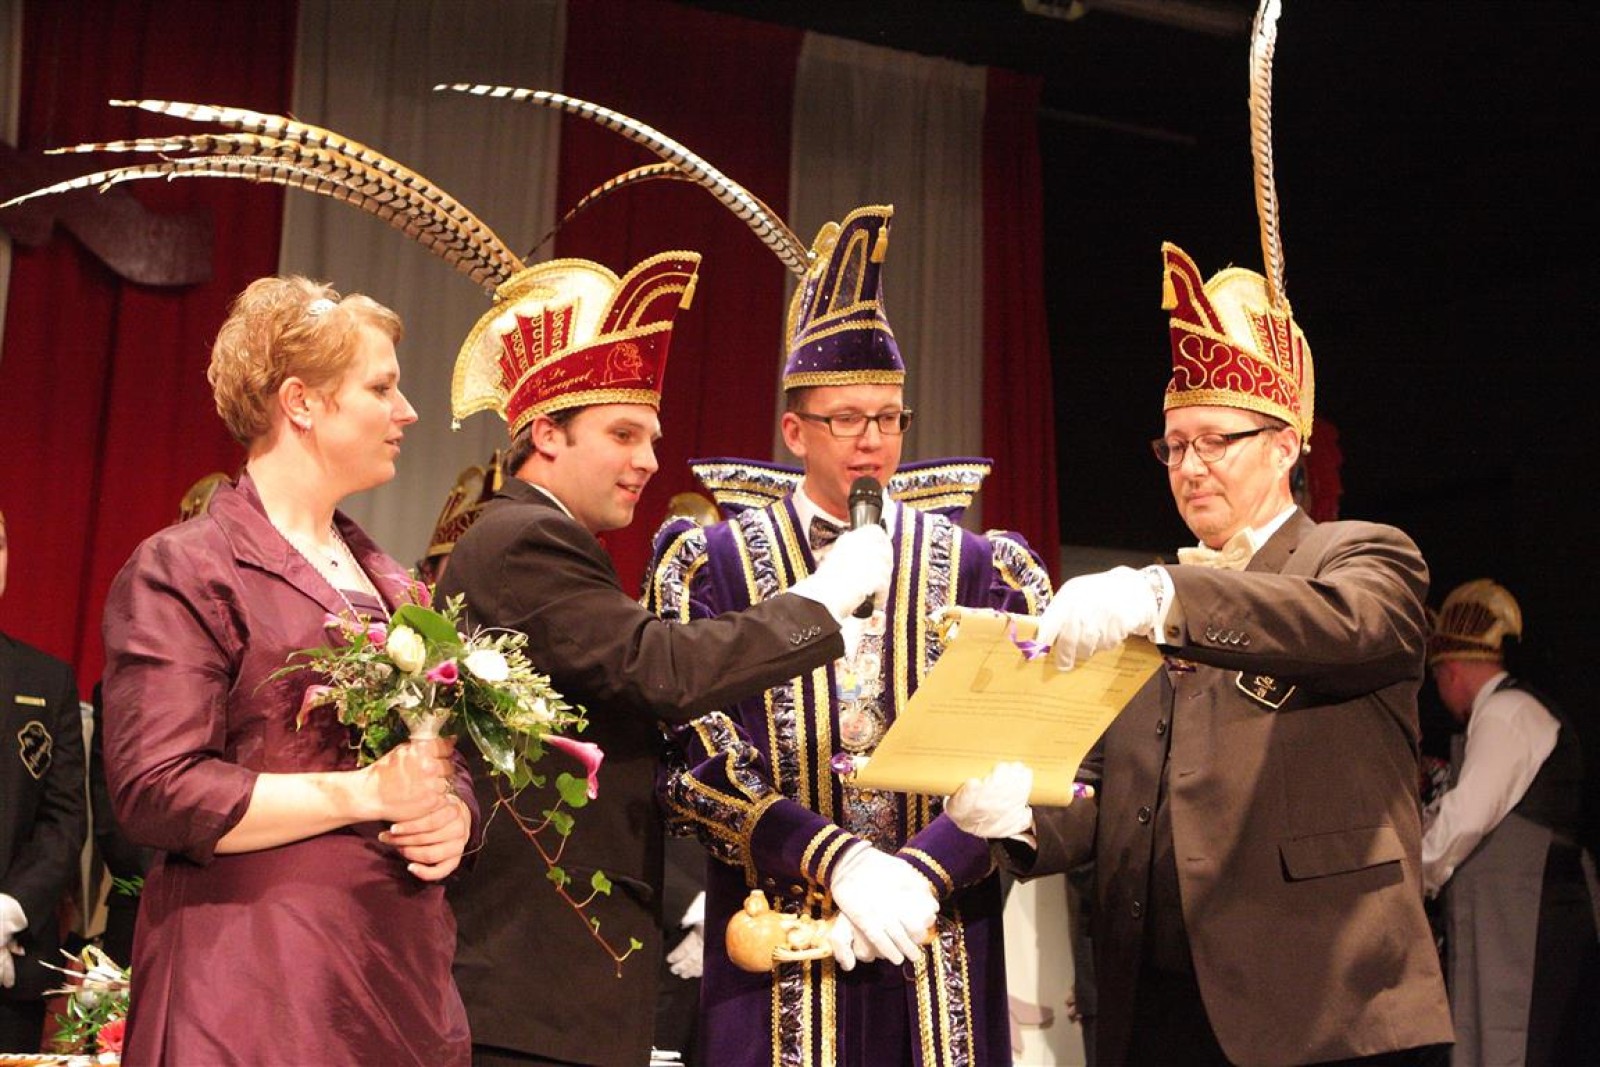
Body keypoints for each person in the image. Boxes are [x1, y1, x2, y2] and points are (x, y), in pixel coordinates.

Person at [436, 250, 892, 1067]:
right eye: (623, 434)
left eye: (651, 437)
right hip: (529, 981)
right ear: (546, 432)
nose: (648, 459)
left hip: (549, 984)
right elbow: (663, 667)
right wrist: (823, 599)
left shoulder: (537, 540)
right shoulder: (524, 538)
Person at [647, 203, 1053, 1067]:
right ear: (794, 430)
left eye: (889, 417)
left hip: (936, 938)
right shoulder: (713, 566)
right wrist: (836, 859)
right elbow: (692, 763)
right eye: (847, 418)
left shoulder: (980, 567)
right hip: (777, 947)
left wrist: (926, 866)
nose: (873, 441)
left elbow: (1017, 751)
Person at [99, 276, 477, 1065]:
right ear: (300, 401)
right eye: (381, 387)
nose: (407, 411)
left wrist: (453, 813)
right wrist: (362, 793)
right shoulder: (190, 567)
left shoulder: (397, 587)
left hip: (398, 986)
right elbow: (158, 787)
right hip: (254, 989)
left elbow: (442, 758)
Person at [1421, 578, 1598, 1066]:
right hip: (1511, 917)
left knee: (1523, 1046)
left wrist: (1412, 878)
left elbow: (1466, 815)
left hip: (1534, 918)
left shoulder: (1505, 712)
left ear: (1451, 671)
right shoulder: (1502, 712)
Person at [0, 506, 88, 1053]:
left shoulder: (46, 679)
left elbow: (64, 821)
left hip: (10, 967)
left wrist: (9, 910)